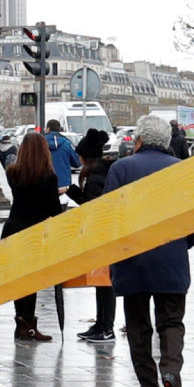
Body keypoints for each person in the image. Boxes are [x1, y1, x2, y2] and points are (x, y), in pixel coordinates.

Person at [102, 114, 194, 387]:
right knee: (171, 322)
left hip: (133, 259)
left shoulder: (122, 168)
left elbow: (109, 215)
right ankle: (171, 372)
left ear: (138, 140)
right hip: (172, 259)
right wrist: (183, 243)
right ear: (167, 142)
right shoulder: (183, 170)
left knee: (138, 328)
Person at [4, 127, 65, 341]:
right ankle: (28, 325)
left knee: (17, 279)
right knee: (31, 281)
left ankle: (21, 322)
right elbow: (53, 211)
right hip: (34, 232)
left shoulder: (12, 172)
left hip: (13, 228)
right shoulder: (48, 176)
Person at [71, 129, 120, 345]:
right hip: (107, 234)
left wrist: (73, 194)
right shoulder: (103, 173)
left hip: (103, 236)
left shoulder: (95, 179)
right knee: (101, 282)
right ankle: (101, 324)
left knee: (104, 282)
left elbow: (91, 207)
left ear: (85, 158)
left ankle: (106, 327)